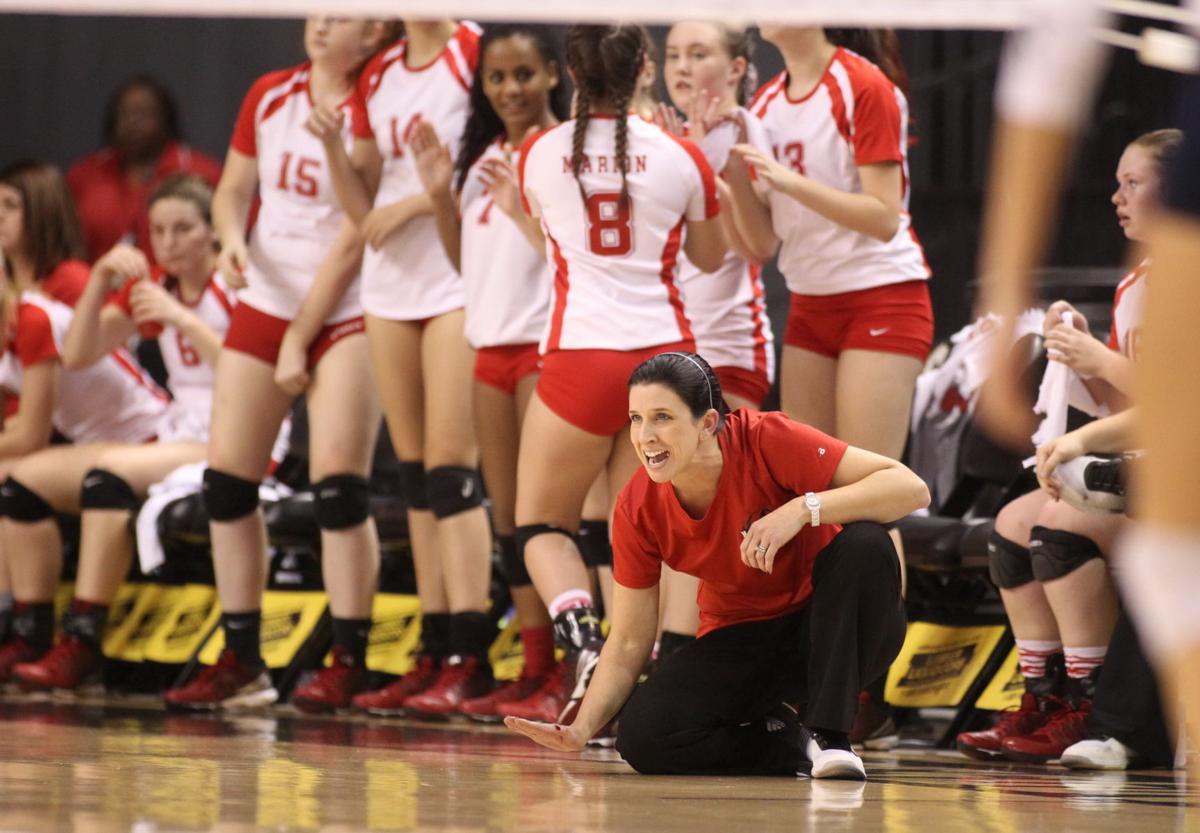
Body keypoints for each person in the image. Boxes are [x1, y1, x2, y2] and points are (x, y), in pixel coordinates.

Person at [506, 351, 927, 779]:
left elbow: (910, 488)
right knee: (643, 738)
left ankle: (830, 735)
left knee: (866, 543)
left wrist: (803, 508)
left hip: (842, 630)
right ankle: (792, 742)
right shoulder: (637, 506)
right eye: (636, 418)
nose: (645, 436)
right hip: (746, 641)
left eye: (662, 417)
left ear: (707, 423)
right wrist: (582, 728)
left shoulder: (766, 438)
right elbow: (630, 640)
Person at [161, 16, 390, 712]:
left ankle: (349, 657)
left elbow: (356, 234)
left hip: (346, 306)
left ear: (374, 30)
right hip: (266, 297)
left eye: (338, 15)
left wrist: (302, 334)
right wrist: (230, 240)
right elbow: (231, 191)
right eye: (315, 12)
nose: (319, 23)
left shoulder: (377, 101)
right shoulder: (270, 94)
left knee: (338, 489)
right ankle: (243, 656)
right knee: (227, 485)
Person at [502, 24, 726, 726]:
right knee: (650, 535)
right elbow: (715, 256)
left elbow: (545, 237)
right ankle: (657, 678)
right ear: (645, 71)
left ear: (570, 70)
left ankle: (581, 637)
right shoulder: (681, 156)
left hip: (579, 357)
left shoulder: (538, 153)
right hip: (665, 362)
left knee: (540, 523)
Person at [956, 129, 1179, 764]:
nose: (1116, 197)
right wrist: (1080, 367)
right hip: (1145, 456)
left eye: (1132, 182)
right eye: (1115, 182)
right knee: (1011, 523)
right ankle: (1046, 700)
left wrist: (1103, 362)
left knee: (1057, 523)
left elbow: (1180, 401)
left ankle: (1091, 704)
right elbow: (1132, 411)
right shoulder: (1135, 282)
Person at [322, 18, 497, 717]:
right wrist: (334, 151)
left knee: (455, 474)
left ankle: (470, 652)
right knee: (419, 475)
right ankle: (434, 649)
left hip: (459, 273)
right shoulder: (380, 71)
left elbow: (497, 154)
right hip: (391, 284)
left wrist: (418, 202)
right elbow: (362, 206)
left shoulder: (476, 50)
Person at [2, 175, 233, 690]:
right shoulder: (155, 287)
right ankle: (27, 629)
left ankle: (83, 640)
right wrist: (104, 276)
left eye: (182, 229)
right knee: (23, 485)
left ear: (212, 234)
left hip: (240, 430)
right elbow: (81, 354)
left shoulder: (235, 281)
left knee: (105, 479)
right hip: (182, 427)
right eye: (158, 231)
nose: (169, 243)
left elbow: (252, 373)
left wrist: (184, 321)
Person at [408, 22, 567, 719]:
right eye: (497, 78)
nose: (509, 89)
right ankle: (532, 666)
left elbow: (574, 256)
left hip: (542, 348)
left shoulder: (560, 152)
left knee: (545, 518)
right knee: (506, 518)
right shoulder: (482, 158)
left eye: (524, 75)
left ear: (555, 75)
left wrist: (523, 209)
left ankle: (569, 664)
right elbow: (463, 262)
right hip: (487, 349)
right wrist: (442, 195)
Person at [726, 26, 931, 461]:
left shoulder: (862, 84)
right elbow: (762, 245)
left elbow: (883, 217)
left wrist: (791, 183)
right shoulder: (764, 105)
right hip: (810, 301)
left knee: (870, 496)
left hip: (880, 296)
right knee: (809, 485)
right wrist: (728, 170)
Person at [651, 20, 777, 662]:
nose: (681, 66)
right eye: (672, 54)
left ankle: (691, 659)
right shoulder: (650, 134)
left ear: (735, 68)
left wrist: (706, 162)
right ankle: (644, 657)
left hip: (726, 346)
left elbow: (757, 248)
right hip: (660, 344)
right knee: (649, 509)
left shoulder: (750, 133)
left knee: (706, 512)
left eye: (698, 53)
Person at [0, 255, 169, 681]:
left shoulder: (32, 318)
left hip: (150, 436)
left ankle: (79, 639)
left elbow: (31, 435)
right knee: (11, 485)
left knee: (18, 481)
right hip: (97, 443)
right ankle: (22, 629)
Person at [0, 159, 118, 645]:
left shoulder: (67, 282)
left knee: (11, 480)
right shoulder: (9, 291)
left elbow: (39, 421)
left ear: (42, 213)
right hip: (58, 433)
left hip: (102, 434)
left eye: (9, 207)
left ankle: (22, 626)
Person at [67, 76, 222, 262]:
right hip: (96, 284)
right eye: (124, 114)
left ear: (166, 119)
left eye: (144, 114)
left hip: (177, 286)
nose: (133, 123)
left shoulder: (200, 172)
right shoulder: (84, 175)